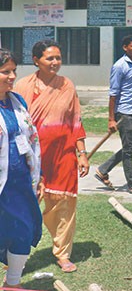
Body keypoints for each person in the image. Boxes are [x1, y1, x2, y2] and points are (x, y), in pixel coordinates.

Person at [16, 40, 89, 274]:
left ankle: (63, 253)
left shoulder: (66, 86)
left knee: (65, 206)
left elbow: (75, 121)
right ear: (36, 60)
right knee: (25, 206)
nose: (55, 62)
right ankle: (17, 253)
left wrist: (82, 153)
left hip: (63, 155)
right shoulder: (21, 86)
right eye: (50, 58)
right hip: (31, 158)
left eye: (58, 57)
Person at [0, 48, 42, 291]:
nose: (12, 76)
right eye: (6, 72)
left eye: (14, 71)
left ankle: (13, 285)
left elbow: (31, 141)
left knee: (23, 229)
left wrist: (39, 176)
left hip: (19, 182)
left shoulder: (17, 103)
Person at [94, 34, 132, 195]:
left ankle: (103, 170)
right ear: (125, 48)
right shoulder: (119, 66)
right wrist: (111, 119)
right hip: (123, 113)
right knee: (128, 150)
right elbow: (113, 95)